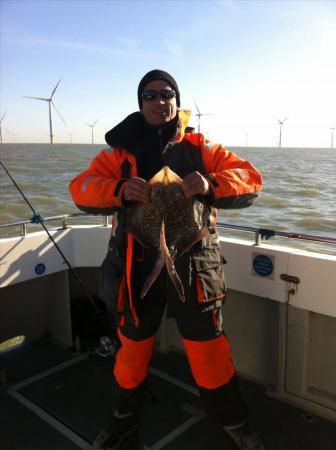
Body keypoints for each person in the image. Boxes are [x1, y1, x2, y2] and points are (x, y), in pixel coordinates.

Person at [69, 69, 264, 450]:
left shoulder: (201, 147)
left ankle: (234, 422)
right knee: (132, 352)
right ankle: (124, 420)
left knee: (209, 352)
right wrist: (120, 189)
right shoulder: (118, 153)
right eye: (151, 95)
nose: (160, 101)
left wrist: (212, 183)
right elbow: (82, 188)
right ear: (140, 103)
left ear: (176, 100)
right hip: (135, 264)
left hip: (195, 263)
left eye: (167, 93)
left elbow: (251, 178)